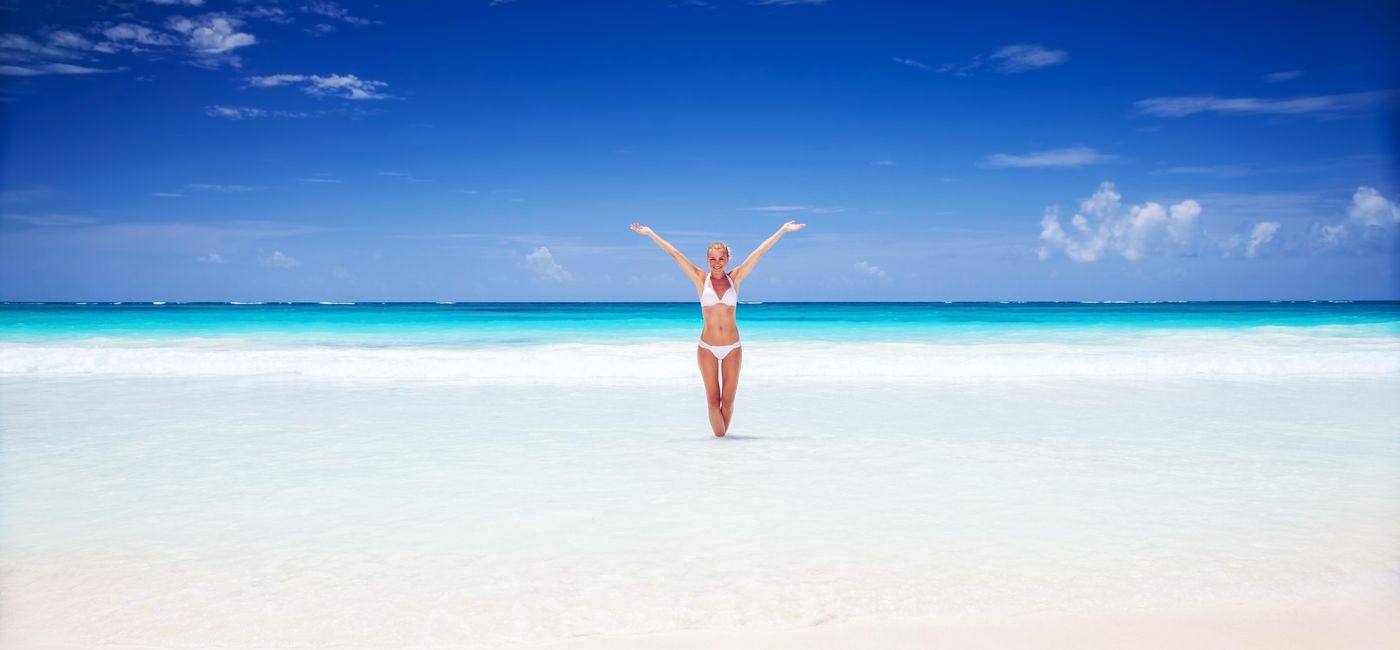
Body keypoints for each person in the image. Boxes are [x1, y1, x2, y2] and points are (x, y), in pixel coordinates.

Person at [630, 220, 807, 436]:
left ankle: (722, 452)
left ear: (728, 260)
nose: (717, 263)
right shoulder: (700, 279)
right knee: (713, 402)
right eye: (712, 259)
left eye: (721, 258)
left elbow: (759, 253)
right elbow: (675, 254)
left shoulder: (735, 278)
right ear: (707, 260)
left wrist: (782, 230)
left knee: (728, 403)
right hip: (707, 348)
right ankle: (721, 445)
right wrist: (650, 233)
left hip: (733, 347)